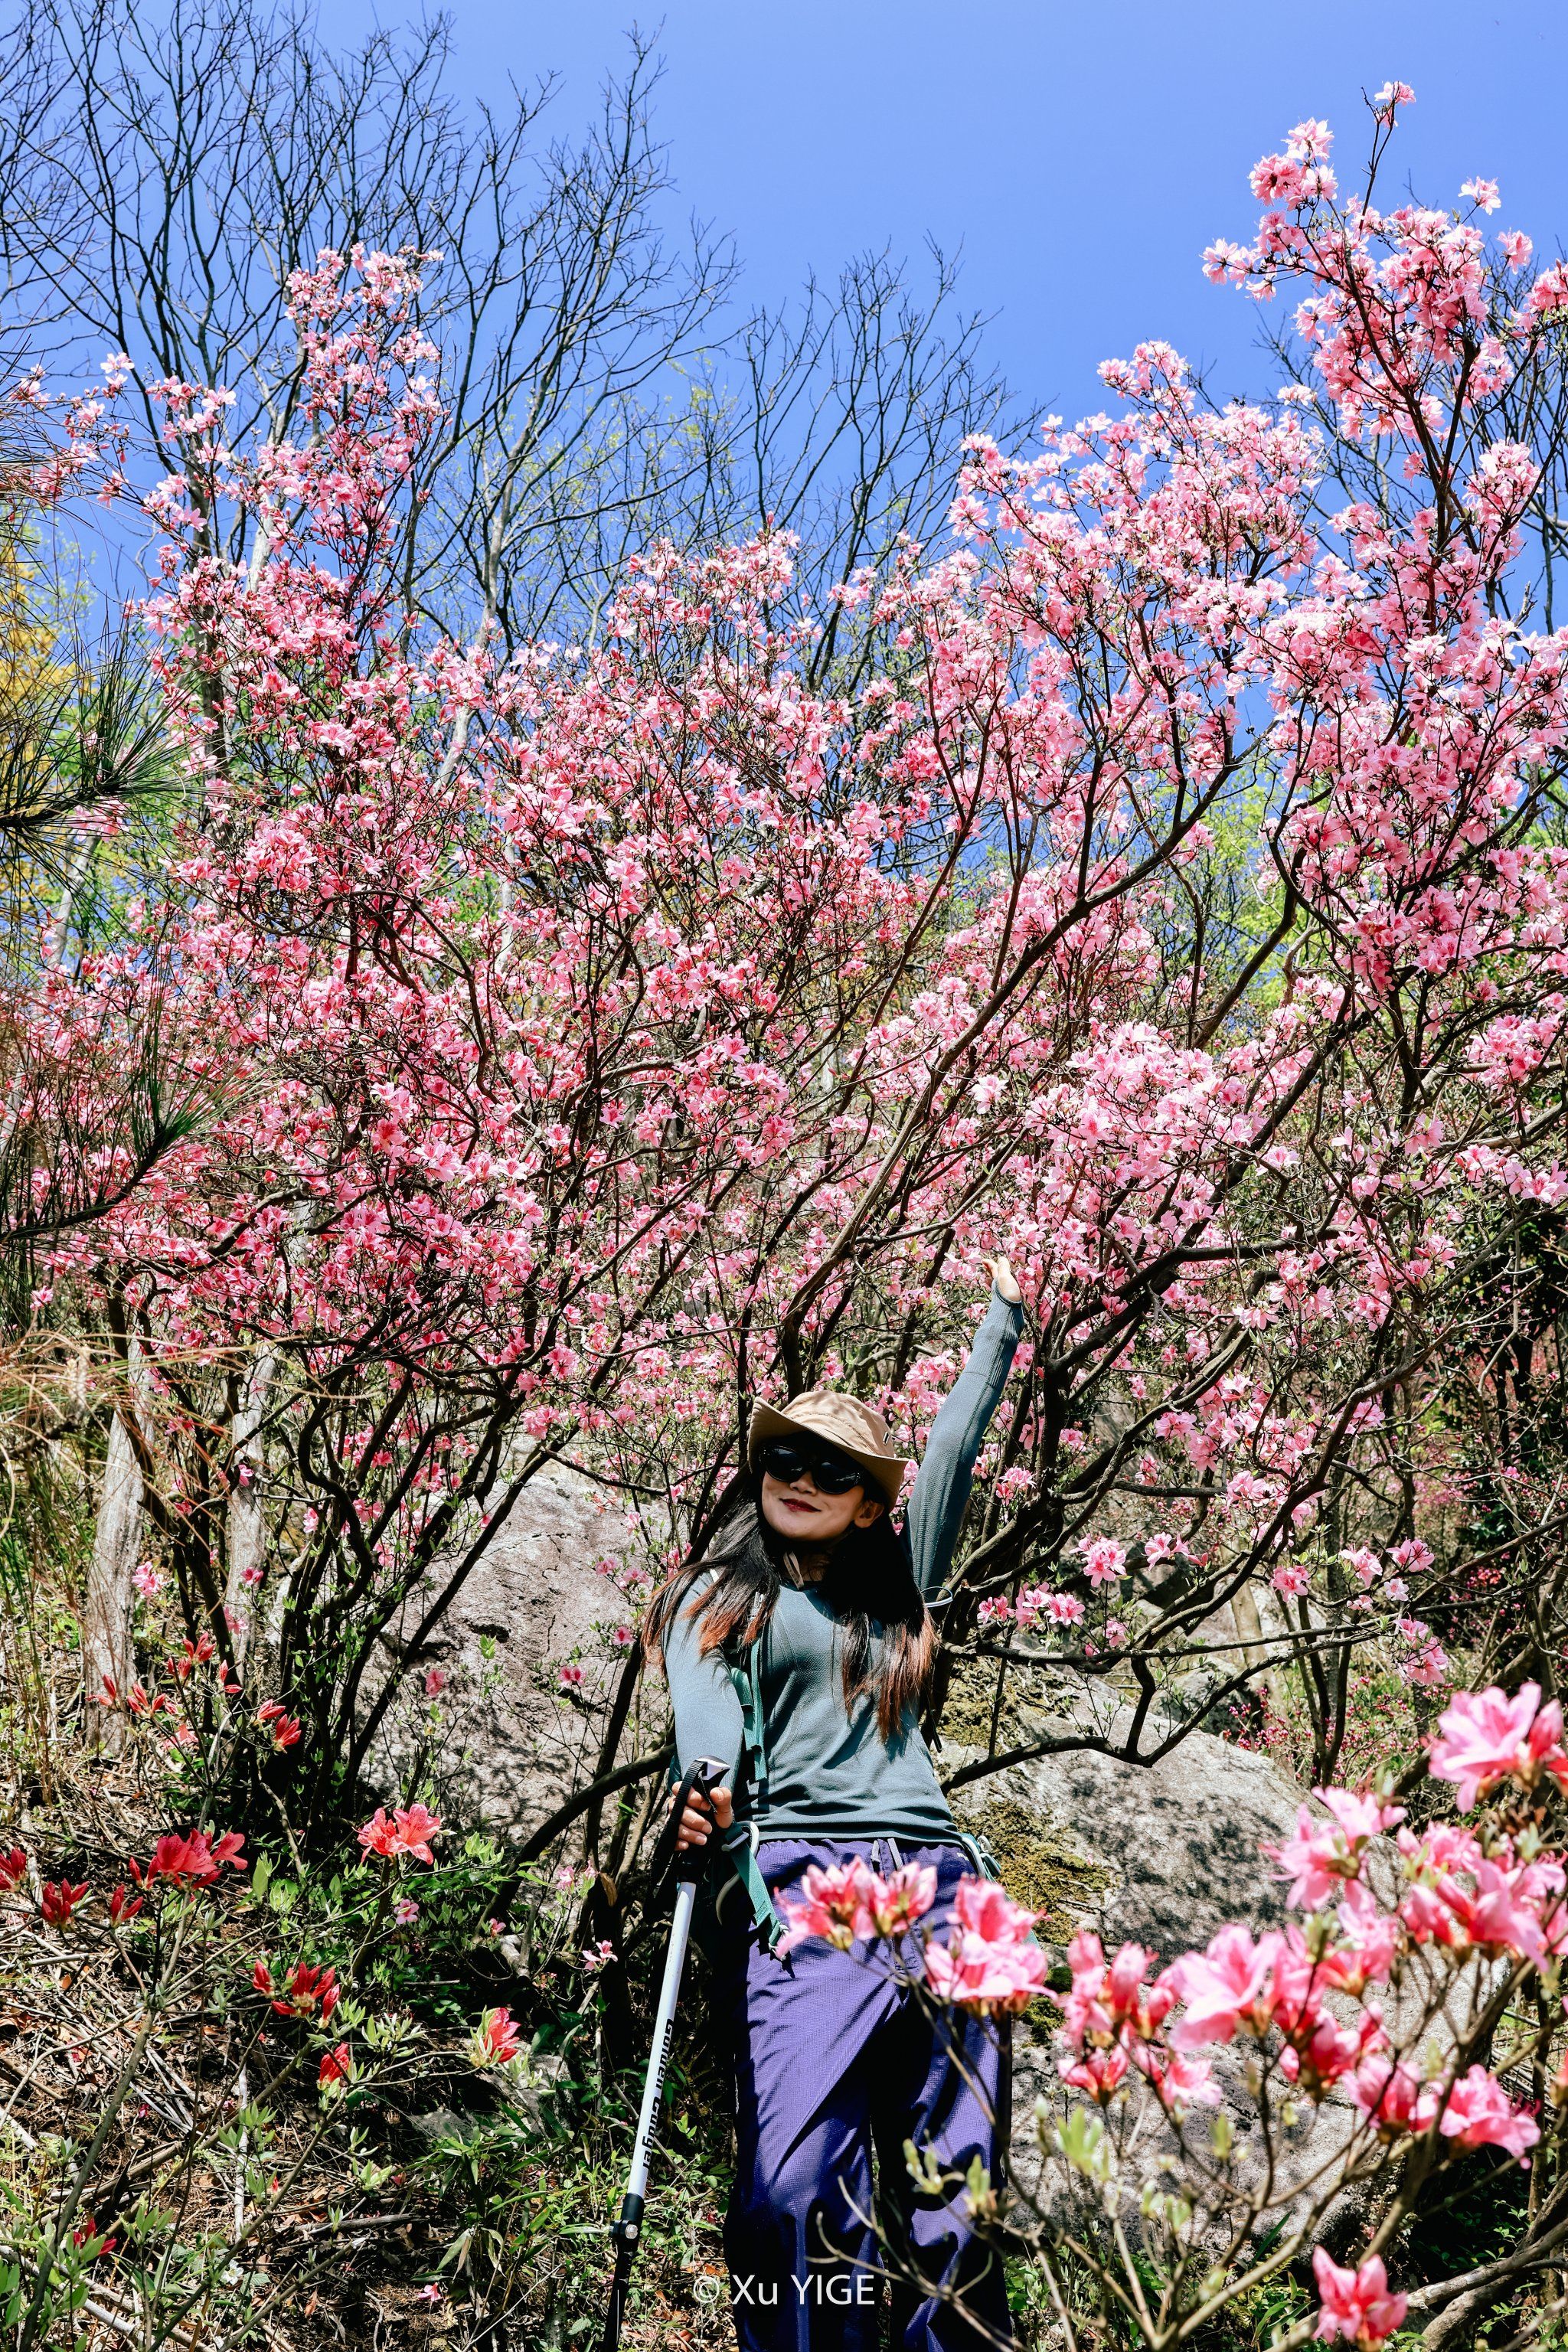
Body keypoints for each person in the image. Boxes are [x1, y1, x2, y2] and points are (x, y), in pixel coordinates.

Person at [645, 1259, 1027, 2351]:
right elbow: (707, 1734)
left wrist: (1001, 1320)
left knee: (955, 2205)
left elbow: (951, 1452)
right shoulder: (713, 1598)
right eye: (784, 1458)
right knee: (789, 2190)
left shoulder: (898, 1594)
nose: (799, 1477)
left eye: (833, 1468)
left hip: (946, 1892)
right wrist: (704, 1798)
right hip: (805, 1888)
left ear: (872, 1503)